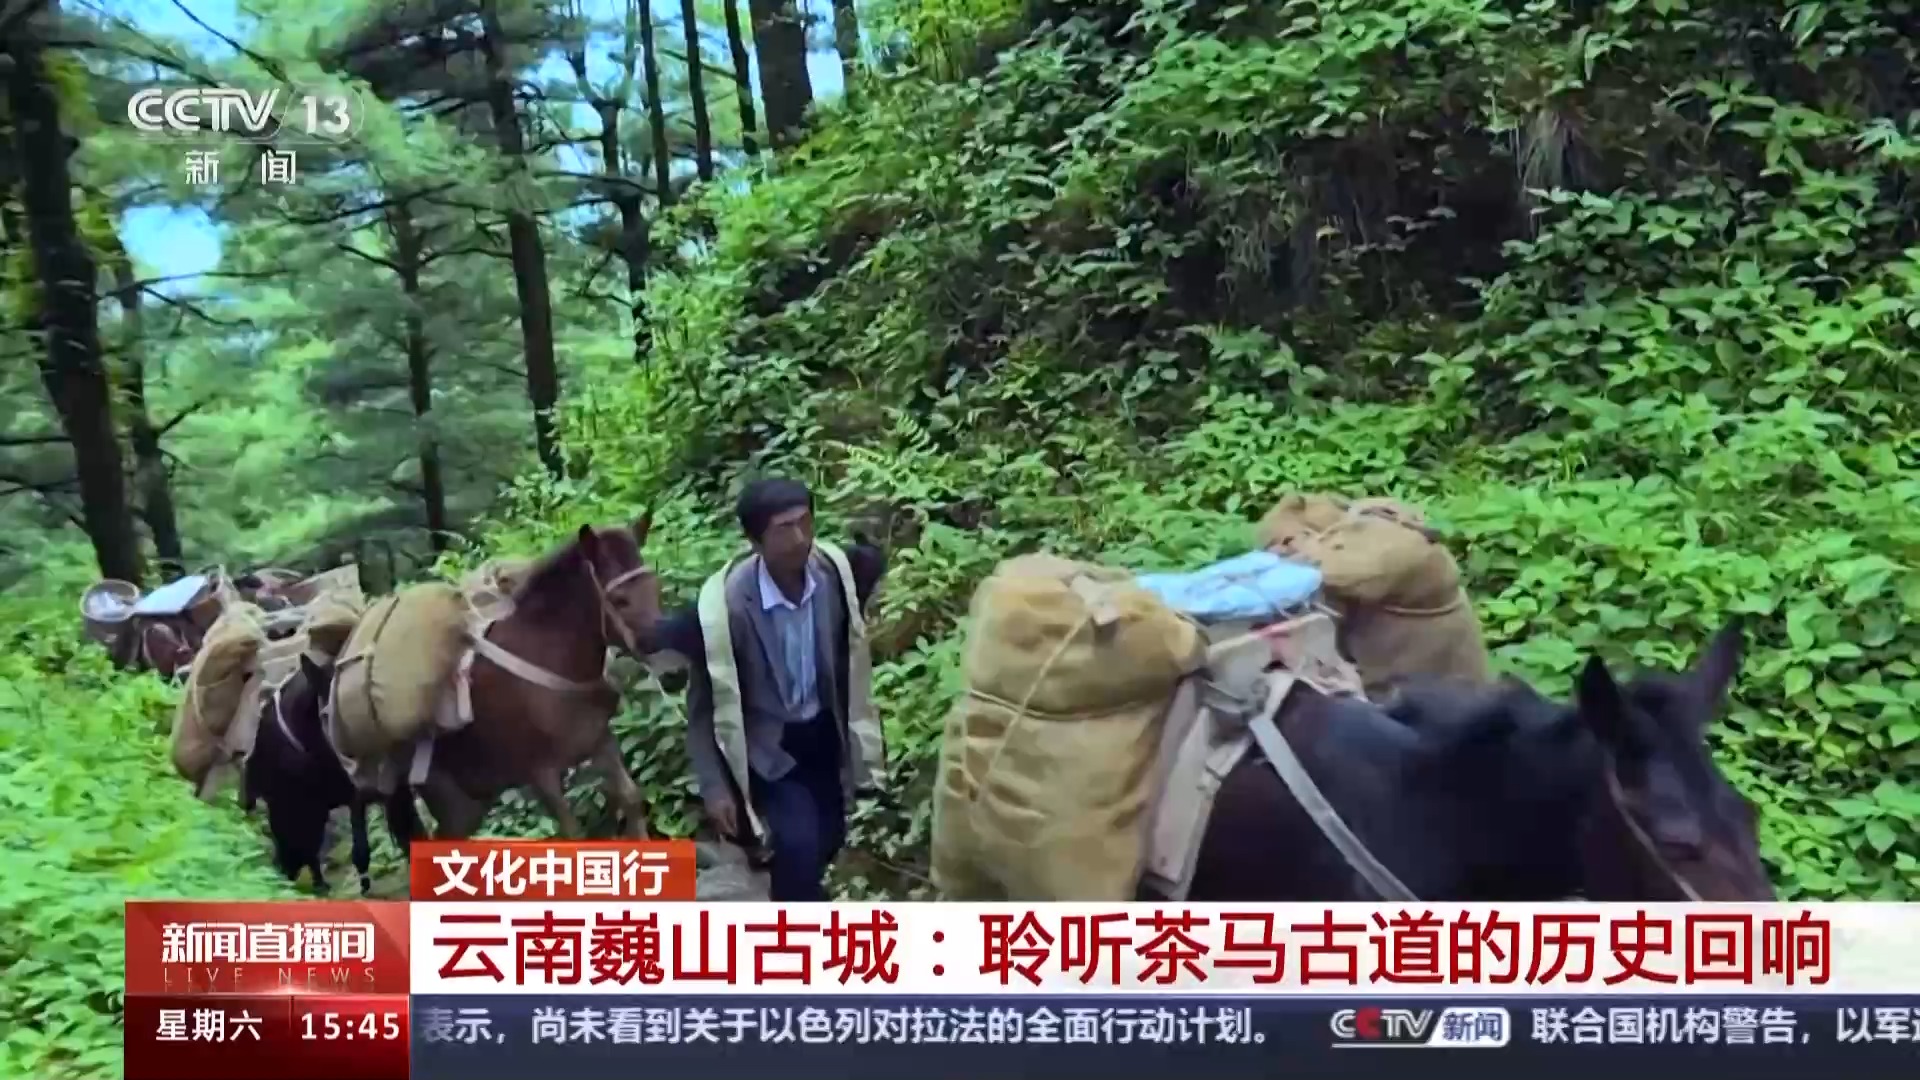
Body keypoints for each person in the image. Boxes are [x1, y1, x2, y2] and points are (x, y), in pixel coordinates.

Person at [677, 477, 888, 901]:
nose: (800, 539)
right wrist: (715, 787)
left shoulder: (832, 578)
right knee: (798, 844)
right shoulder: (727, 608)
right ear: (755, 541)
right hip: (771, 747)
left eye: (805, 522)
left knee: (829, 836)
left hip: (824, 735)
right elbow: (702, 707)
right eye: (784, 529)